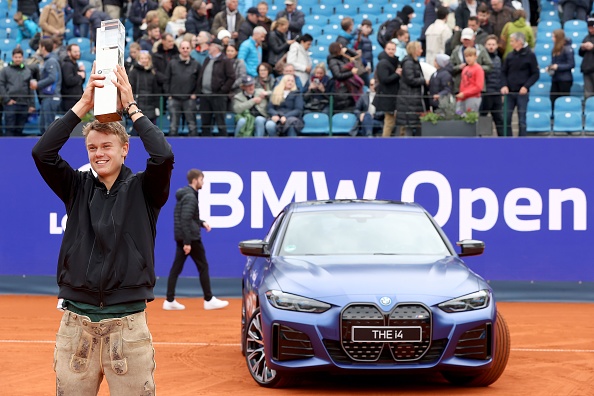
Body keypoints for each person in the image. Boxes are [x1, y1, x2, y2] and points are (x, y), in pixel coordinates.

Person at [31, 63, 174, 396]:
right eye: (92, 148)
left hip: (128, 327)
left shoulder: (145, 189)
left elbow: (163, 155)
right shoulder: (76, 187)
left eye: (107, 146)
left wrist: (132, 107)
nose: (98, 154)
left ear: (125, 149)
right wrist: (83, 105)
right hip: (75, 327)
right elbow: (42, 152)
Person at [164, 169, 229, 311]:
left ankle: (169, 300)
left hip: (183, 236)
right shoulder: (190, 197)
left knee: (176, 268)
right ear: (195, 180)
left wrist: (201, 222)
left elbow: (190, 217)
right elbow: (185, 219)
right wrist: (187, 242)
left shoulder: (187, 195)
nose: (203, 182)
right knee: (203, 266)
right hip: (191, 238)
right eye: (201, 179)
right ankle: (209, 299)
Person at [500, 32, 539, 136]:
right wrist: (504, 85)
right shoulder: (510, 55)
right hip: (510, 93)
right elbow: (503, 72)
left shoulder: (530, 55)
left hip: (522, 93)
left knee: (522, 120)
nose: (511, 43)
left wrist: (526, 86)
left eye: (512, 41)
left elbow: (535, 74)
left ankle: (522, 142)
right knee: (506, 118)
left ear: (519, 42)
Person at [197, 37, 235, 136]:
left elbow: (231, 77)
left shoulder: (225, 60)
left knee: (220, 122)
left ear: (216, 47)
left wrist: (222, 91)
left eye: (210, 45)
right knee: (205, 122)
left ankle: (224, 145)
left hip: (218, 96)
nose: (208, 47)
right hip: (205, 95)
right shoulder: (207, 59)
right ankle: (205, 144)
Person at [165, 40, 201, 136]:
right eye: (183, 48)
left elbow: (199, 81)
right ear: (179, 49)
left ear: (191, 49)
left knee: (192, 125)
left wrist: (195, 93)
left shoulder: (196, 64)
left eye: (187, 48)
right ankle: (170, 149)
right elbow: (166, 80)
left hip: (189, 99)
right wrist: (168, 94)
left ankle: (194, 147)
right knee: (173, 126)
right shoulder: (172, 63)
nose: (185, 50)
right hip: (174, 98)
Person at [0, 48, 36, 136]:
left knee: (20, 129)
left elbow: (30, 88)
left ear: (22, 58)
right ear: (12, 57)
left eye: (19, 57)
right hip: (10, 105)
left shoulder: (27, 71)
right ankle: (8, 149)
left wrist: (32, 104)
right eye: (16, 57)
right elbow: (1, 85)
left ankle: (17, 149)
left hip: (23, 104)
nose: (18, 59)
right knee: (10, 129)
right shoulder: (5, 70)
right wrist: (7, 100)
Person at [30, 38, 62, 135]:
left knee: (48, 127)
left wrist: (37, 84)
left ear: (43, 48)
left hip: (51, 97)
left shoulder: (51, 61)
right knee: (43, 127)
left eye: (39, 47)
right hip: (47, 98)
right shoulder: (47, 60)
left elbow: (52, 78)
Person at [396, 41, 427, 136]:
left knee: (415, 126)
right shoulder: (409, 63)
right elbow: (411, 80)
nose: (422, 50)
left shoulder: (414, 62)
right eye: (420, 48)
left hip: (413, 99)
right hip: (409, 100)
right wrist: (424, 81)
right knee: (409, 126)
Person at [450, 27, 492, 92]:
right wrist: (459, 67)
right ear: (461, 39)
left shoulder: (481, 50)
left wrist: (476, 68)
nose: (466, 42)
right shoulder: (456, 51)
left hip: (477, 88)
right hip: (460, 87)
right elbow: (450, 68)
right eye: (465, 39)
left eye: (468, 39)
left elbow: (489, 66)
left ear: (474, 38)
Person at [373, 41, 401, 137]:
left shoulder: (395, 61)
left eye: (393, 49)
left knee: (392, 121)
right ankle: (385, 141)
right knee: (389, 122)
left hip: (394, 95)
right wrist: (397, 74)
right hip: (387, 96)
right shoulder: (383, 63)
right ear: (385, 49)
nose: (391, 51)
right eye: (389, 49)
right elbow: (384, 79)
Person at [327, 42, 362, 112]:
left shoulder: (343, 58)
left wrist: (348, 50)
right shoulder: (333, 61)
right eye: (340, 48)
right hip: (342, 90)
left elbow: (357, 56)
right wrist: (351, 73)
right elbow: (337, 75)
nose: (342, 49)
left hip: (349, 88)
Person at [481, 34, 505, 136]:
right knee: (482, 117)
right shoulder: (481, 58)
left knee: (499, 118)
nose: (491, 46)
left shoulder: (499, 58)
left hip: (496, 93)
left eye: (493, 44)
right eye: (489, 44)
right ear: (485, 45)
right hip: (485, 93)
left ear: (496, 45)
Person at [129, 51, 161, 124]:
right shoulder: (134, 72)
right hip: (138, 104)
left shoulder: (152, 73)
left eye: (146, 58)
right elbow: (131, 88)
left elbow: (155, 90)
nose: (144, 60)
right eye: (142, 58)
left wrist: (157, 106)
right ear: (138, 59)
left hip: (151, 105)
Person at [547, 29, 575, 111]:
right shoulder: (554, 49)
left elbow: (571, 64)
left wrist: (558, 67)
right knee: (553, 100)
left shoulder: (567, 49)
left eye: (553, 37)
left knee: (563, 101)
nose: (552, 39)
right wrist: (550, 67)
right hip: (555, 78)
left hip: (565, 79)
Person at [456, 47, 484, 112]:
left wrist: (465, 93)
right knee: (459, 116)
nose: (468, 58)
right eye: (466, 56)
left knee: (470, 118)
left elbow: (478, 87)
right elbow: (462, 84)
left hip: (473, 97)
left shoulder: (478, 69)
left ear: (475, 57)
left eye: (470, 56)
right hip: (462, 97)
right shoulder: (465, 68)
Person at [60, 43, 86, 112]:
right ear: (69, 52)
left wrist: (82, 72)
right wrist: (80, 75)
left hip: (77, 98)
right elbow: (69, 81)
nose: (77, 53)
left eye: (78, 51)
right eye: (75, 52)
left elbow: (80, 82)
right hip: (70, 100)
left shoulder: (75, 64)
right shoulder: (67, 65)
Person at [579, 17, 594, 99]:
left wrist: (592, 47)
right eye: (589, 28)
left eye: (592, 28)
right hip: (587, 68)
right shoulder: (586, 37)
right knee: (588, 94)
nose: (590, 30)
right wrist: (583, 48)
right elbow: (580, 54)